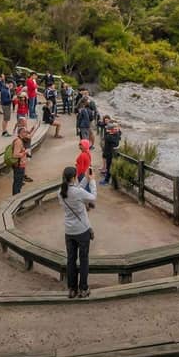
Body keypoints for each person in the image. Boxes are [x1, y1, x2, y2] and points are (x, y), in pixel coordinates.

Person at [58, 165, 97, 299]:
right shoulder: (77, 192)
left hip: (69, 231)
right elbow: (92, 197)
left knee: (71, 260)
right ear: (74, 177)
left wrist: (86, 178)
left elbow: (76, 189)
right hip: (82, 231)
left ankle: (72, 289)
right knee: (84, 260)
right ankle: (83, 288)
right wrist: (92, 181)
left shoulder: (60, 192)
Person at [101, 118, 122, 187]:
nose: (116, 130)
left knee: (109, 167)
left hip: (110, 154)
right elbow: (118, 134)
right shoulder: (116, 135)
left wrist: (113, 129)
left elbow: (108, 138)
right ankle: (109, 180)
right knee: (110, 167)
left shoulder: (109, 137)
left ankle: (106, 180)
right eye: (115, 129)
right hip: (111, 153)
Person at [10, 126, 31, 195]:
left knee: (19, 183)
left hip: (21, 165)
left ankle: (17, 197)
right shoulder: (18, 141)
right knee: (17, 184)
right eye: (25, 132)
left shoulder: (21, 140)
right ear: (21, 133)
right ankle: (15, 199)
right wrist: (25, 152)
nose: (26, 134)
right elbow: (15, 155)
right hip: (18, 166)